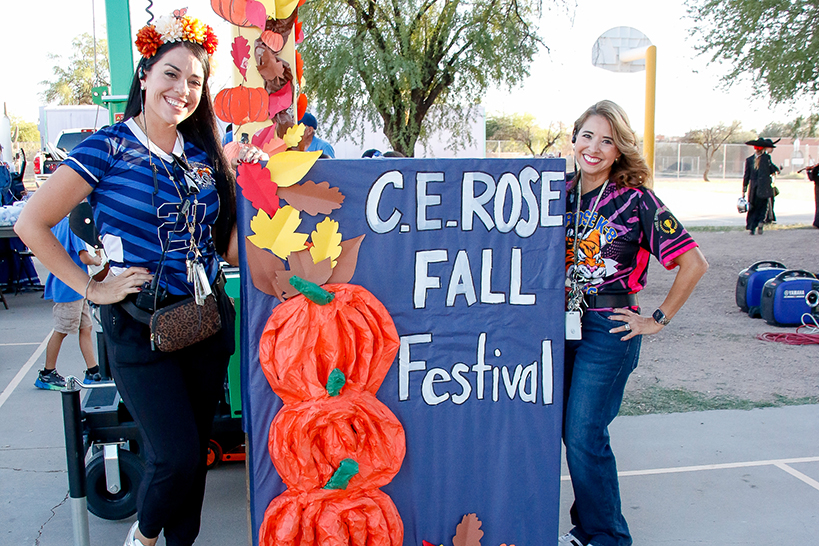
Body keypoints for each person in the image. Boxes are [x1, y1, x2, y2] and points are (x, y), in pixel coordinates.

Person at [15, 11, 241, 546]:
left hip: (207, 325)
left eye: (194, 80)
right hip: (139, 326)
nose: (181, 89)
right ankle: (141, 538)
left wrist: (254, 180)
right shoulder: (108, 147)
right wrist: (92, 288)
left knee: (195, 461)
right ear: (145, 76)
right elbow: (31, 223)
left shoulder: (205, 157)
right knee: (174, 456)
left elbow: (229, 244)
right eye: (170, 73)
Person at [561, 100, 708, 546]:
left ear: (619, 150)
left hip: (610, 327)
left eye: (607, 140)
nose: (594, 147)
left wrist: (657, 319)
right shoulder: (558, 191)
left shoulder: (636, 199)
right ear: (574, 138)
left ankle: (607, 537)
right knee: (563, 433)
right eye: (587, 135)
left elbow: (694, 263)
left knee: (584, 433)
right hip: (555, 325)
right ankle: (589, 524)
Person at [35, 211, 104, 390]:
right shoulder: (75, 227)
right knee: (61, 330)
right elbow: (84, 257)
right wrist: (97, 259)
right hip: (70, 288)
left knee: (85, 328)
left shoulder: (58, 223)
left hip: (75, 287)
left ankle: (93, 370)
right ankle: (47, 373)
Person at [742, 138, 780, 235]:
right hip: (764, 187)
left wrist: (744, 189)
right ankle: (760, 222)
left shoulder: (749, 160)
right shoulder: (766, 158)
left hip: (753, 188)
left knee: (753, 207)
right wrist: (777, 170)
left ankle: (752, 227)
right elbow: (772, 169)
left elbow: (746, 176)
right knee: (763, 207)